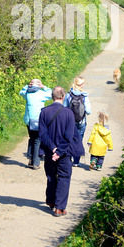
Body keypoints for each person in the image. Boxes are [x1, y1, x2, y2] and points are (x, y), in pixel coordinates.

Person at [39, 86, 84, 216]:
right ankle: (59, 207)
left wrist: (53, 149)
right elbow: (69, 136)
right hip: (64, 153)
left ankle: (51, 201)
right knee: (64, 177)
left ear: (52, 97)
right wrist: (59, 151)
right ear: (63, 96)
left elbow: (43, 134)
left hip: (49, 152)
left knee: (51, 176)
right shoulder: (68, 113)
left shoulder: (44, 112)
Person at [19, 79, 52, 169]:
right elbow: (51, 93)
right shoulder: (41, 94)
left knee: (32, 138)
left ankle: (30, 159)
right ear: (38, 85)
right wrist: (43, 86)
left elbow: (21, 92)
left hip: (29, 120)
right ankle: (36, 162)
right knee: (37, 141)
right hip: (38, 121)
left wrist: (27, 85)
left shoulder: (27, 93)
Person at [63, 76, 91, 167]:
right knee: (79, 139)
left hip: (70, 122)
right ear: (81, 84)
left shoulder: (68, 95)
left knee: (69, 138)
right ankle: (76, 161)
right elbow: (88, 111)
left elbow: (64, 108)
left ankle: (69, 159)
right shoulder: (84, 95)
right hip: (81, 121)